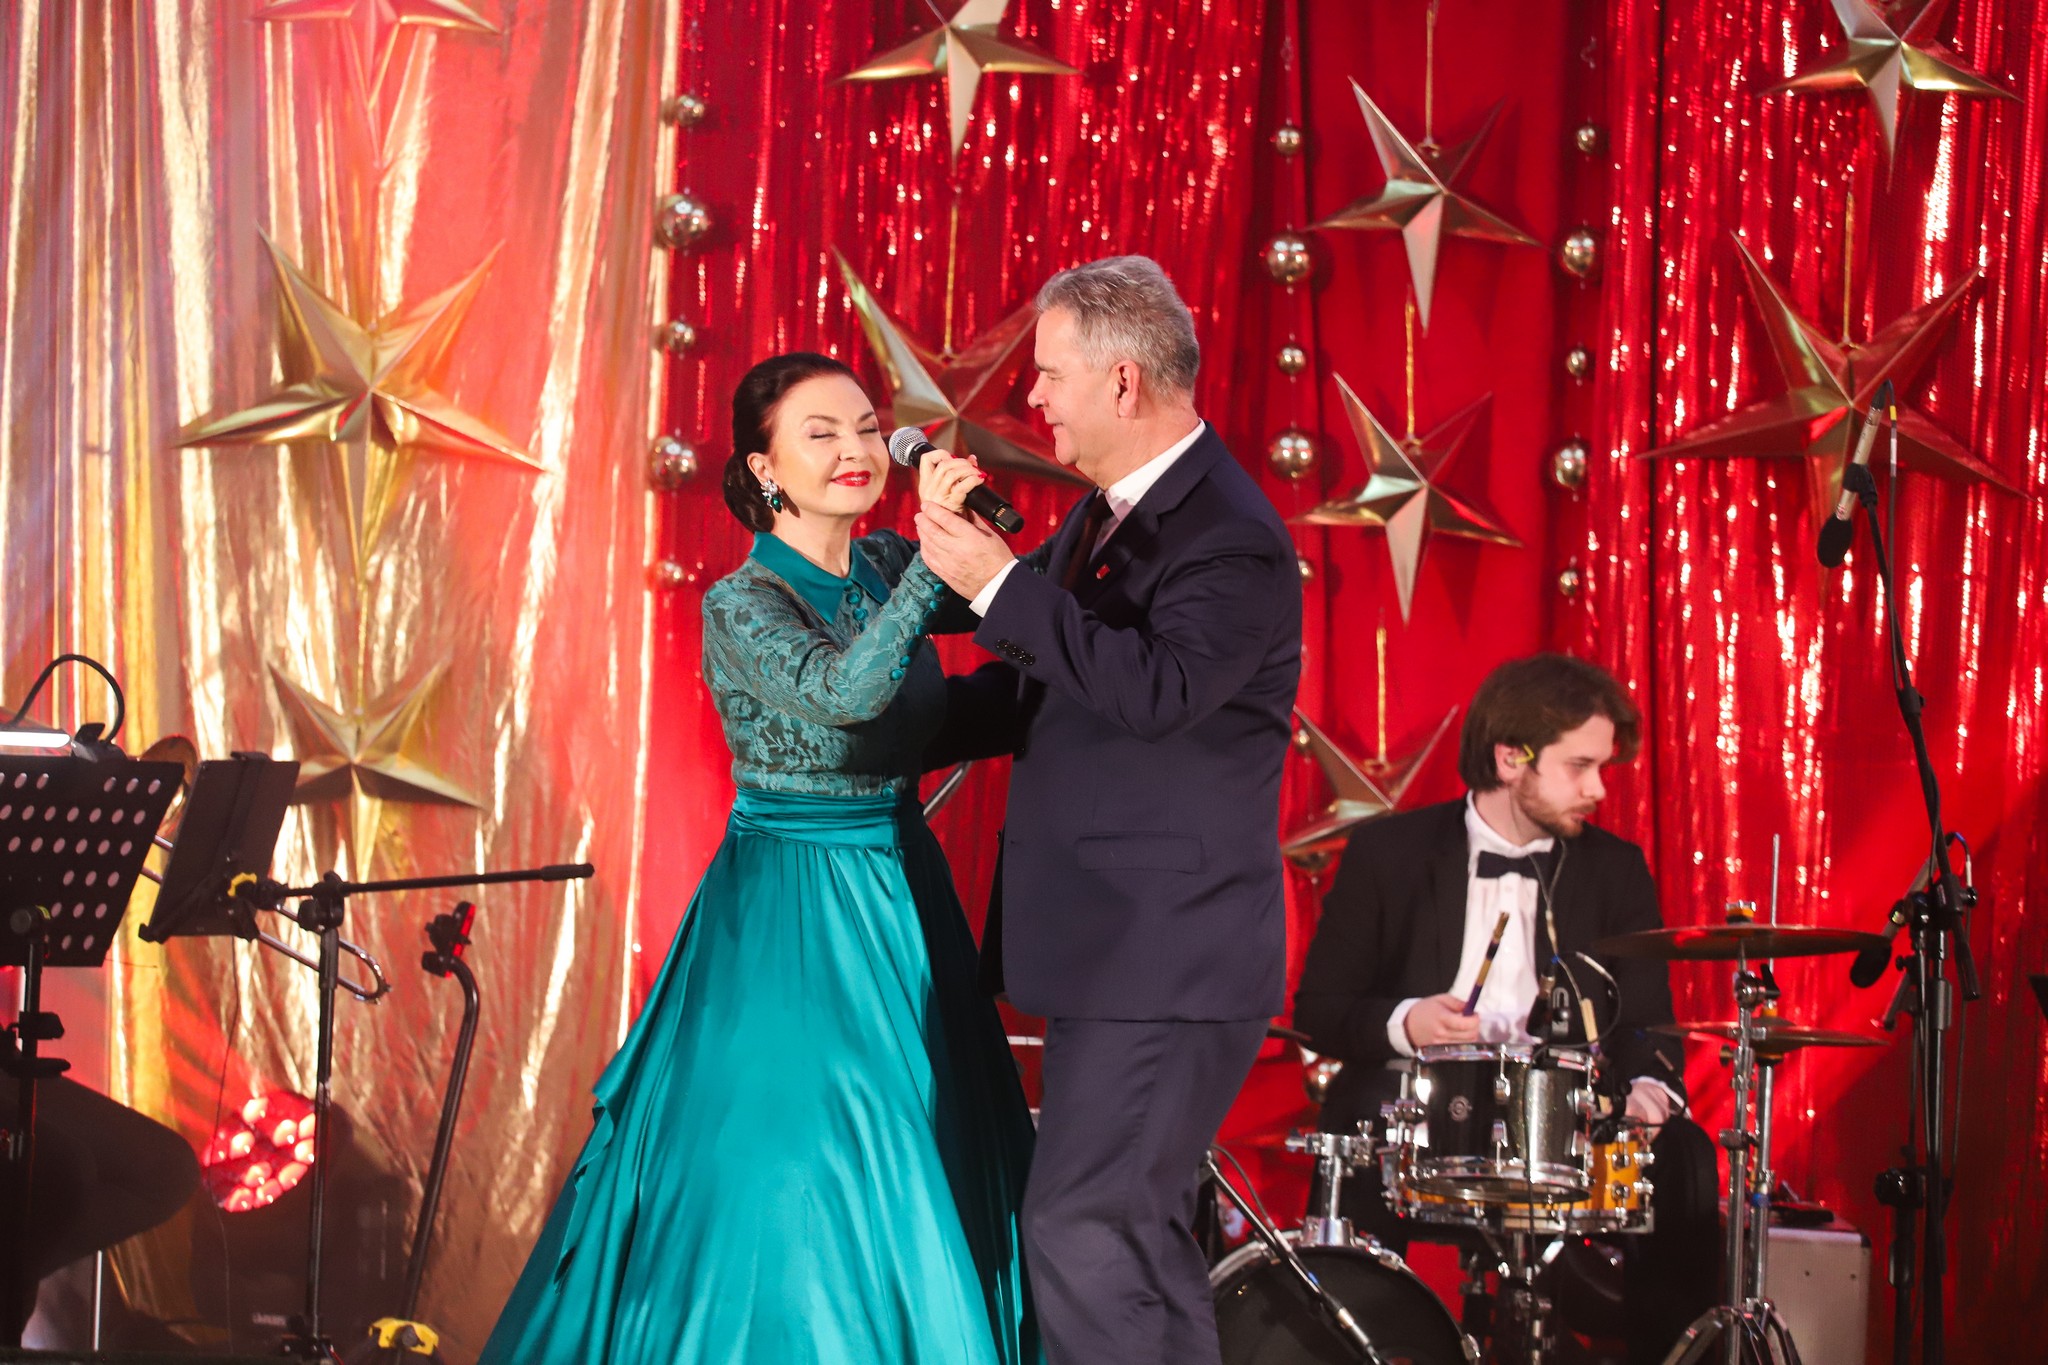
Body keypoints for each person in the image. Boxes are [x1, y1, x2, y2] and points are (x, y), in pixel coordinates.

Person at [479, 352, 1038, 1365]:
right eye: (819, 433)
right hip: (793, 909)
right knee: (813, 1165)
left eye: (865, 427)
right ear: (764, 468)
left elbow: (1013, 610)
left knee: (932, 1146)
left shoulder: (878, 566)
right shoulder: (741, 601)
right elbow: (844, 693)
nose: (855, 449)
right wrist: (932, 564)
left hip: (902, 892)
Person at [915, 256, 1303, 1365]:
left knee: (1083, 1226)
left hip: (1167, 960)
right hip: (1120, 956)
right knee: (1128, 1235)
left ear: (1121, 381)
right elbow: (1039, 678)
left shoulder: (1228, 534)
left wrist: (999, 584)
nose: (1032, 398)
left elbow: (1154, 690)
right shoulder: (1109, 515)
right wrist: (868, 731)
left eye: (1048, 374)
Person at [1292, 653, 1718, 1363]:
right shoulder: (1389, 853)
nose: (1598, 789)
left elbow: (1645, 1020)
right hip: (1423, 1114)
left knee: (1687, 1157)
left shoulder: (1615, 868)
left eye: (1602, 768)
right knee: (1358, 1116)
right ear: (1510, 757)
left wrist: (1650, 1088)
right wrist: (1407, 1022)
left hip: (1568, 1122)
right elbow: (1320, 1009)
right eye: (1580, 766)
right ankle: (1347, 1343)